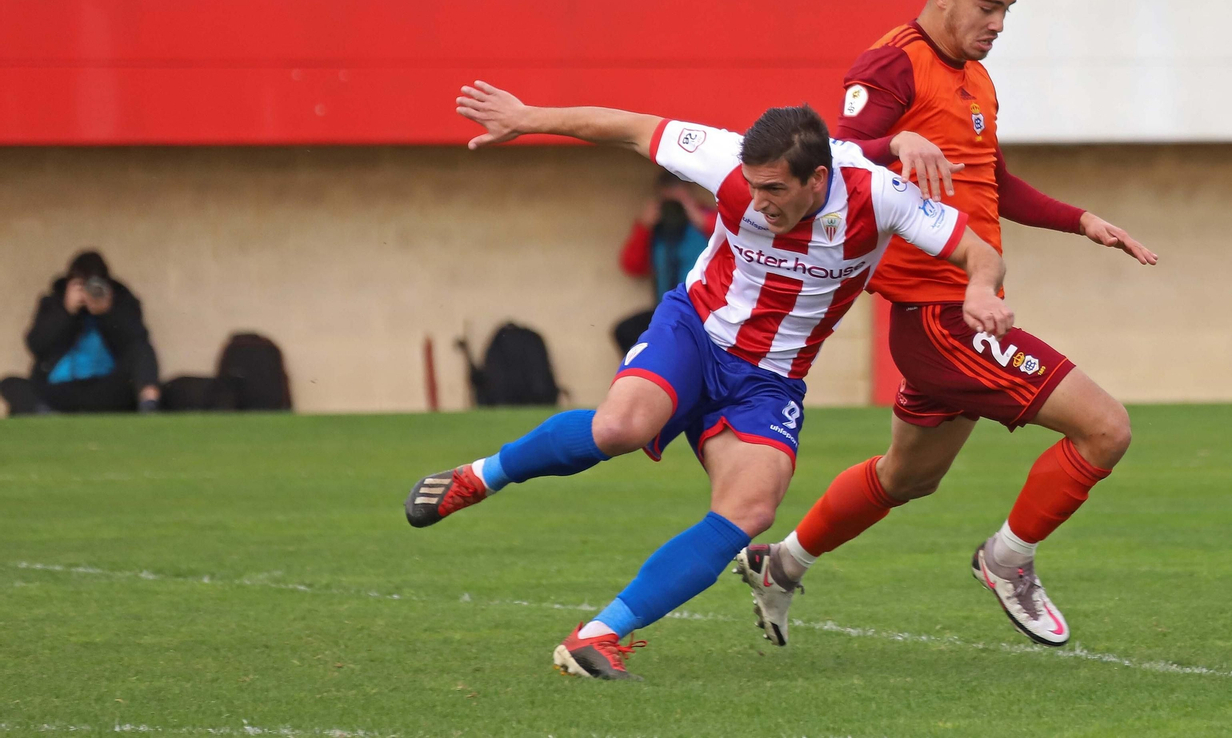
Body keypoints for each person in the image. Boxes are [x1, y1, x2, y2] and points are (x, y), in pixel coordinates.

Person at [404, 81, 1012, 681]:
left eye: (775, 189)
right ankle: (477, 477)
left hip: (770, 381)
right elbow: (629, 125)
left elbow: (979, 251)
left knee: (752, 508)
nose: (760, 202)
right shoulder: (723, 160)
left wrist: (979, 288)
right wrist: (527, 116)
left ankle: (596, 637)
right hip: (695, 332)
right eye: (754, 187)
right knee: (620, 426)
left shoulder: (881, 198)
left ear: (817, 181)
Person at [734, 0, 1159, 650]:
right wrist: (891, 142)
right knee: (1105, 428)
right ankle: (1007, 560)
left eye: (1007, 11)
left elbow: (991, 182)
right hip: (939, 316)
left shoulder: (977, 78)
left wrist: (1079, 218)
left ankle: (781, 564)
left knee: (906, 476)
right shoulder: (892, 64)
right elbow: (831, 158)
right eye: (987, 6)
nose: (997, 25)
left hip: (957, 313)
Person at [0, 251, 161, 416]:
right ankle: (44, 415)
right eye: (81, 285)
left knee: (142, 349)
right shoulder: (53, 303)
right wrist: (66, 311)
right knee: (9, 383)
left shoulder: (122, 302)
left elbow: (138, 345)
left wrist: (108, 313)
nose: (88, 291)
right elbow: (36, 345)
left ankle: (149, 406)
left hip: (107, 390)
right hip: (59, 389)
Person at [612, 172, 717, 354]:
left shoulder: (706, 218)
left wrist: (697, 216)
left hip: (704, 311)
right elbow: (632, 266)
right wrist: (645, 227)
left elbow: (735, 247)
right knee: (626, 331)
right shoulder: (655, 227)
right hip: (666, 310)